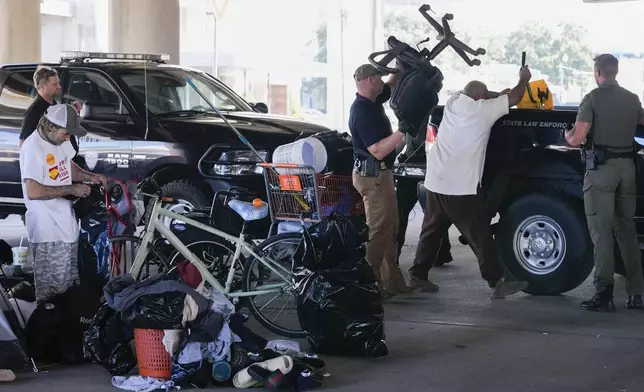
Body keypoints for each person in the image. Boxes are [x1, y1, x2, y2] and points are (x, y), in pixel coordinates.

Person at [408, 66, 532, 298]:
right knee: (481, 234)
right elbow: (515, 98)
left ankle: (417, 275)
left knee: (431, 230)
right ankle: (496, 282)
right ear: (479, 98)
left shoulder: (454, 102)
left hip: (436, 181)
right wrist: (522, 80)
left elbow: (482, 94)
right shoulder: (482, 112)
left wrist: (495, 94)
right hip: (460, 188)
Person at [564, 54, 644, 312]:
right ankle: (637, 294)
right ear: (615, 72)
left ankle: (604, 294)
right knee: (627, 231)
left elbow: (577, 138)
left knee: (602, 234)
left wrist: (566, 134)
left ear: (598, 72)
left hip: (602, 172)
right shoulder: (632, 99)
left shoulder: (593, 98)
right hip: (627, 169)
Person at [20, 104, 107, 303]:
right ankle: (50, 330)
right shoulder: (33, 147)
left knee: (69, 286)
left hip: (65, 224)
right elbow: (32, 191)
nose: (68, 138)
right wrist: (70, 189)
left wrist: (89, 176)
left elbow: (67, 165)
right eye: (66, 133)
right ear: (50, 127)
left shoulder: (59, 140)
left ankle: (68, 327)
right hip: (47, 229)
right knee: (52, 293)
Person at [349, 63, 415, 299]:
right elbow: (376, 150)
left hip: (381, 174)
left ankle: (393, 283)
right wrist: (403, 130)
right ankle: (368, 286)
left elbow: (390, 83)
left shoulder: (374, 100)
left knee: (389, 229)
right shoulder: (361, 112)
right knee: (378, 232)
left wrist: (400, 64)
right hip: (372, 176)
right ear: (369, 81)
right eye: (378, 76)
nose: (382, 80)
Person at [395, 129, 454, 267]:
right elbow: (403, 137)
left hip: (424, 167)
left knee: (433, 217)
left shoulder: (414, 113)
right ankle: (440, 254)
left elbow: (403, 137)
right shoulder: (423, 114)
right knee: (435, 216)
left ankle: (440, 254)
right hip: (417, 167)